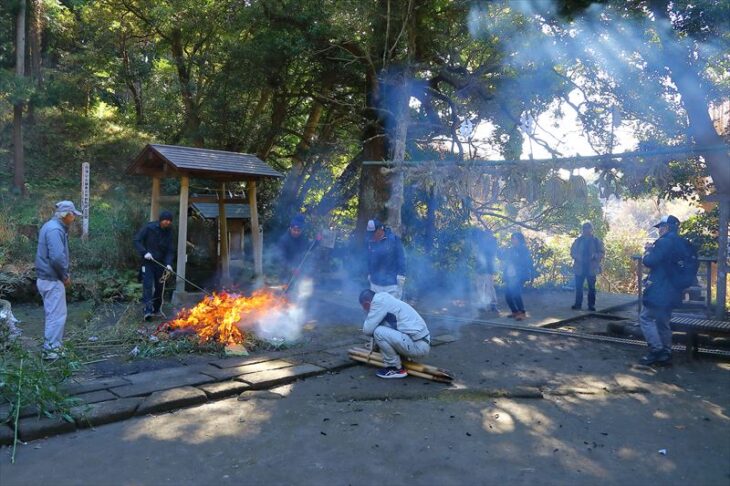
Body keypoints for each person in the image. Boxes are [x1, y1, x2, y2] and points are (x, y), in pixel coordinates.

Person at [35, 200, 82, 358]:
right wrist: (64, 275)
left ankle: (50, 347)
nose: (74, 217)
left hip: (45, 277)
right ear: (66, 215)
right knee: (57, 315)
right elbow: (56, 257)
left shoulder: (49, 226)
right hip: (52, 279)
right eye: (73, 214)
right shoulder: (55, 230)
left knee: (52, 314)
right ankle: (52, 351)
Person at [638, 215, 684, 366]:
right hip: (674, 289)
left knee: (646, 317)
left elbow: (649, 262)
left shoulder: (663, 242)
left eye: (661, 227)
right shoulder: (680, 243)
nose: (659, 231)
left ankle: (656, 349)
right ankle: (666, 352)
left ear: (668, 227)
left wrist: (648, 251)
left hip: (660, 289)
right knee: (663, 320)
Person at [358, 289, 430, 379]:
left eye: (364, 307)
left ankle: (395, 368)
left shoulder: (378, 303)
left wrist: (368, 315)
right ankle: (402, 359)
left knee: (378, 332)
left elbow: (367, 330)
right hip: (420, 342)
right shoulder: (385, 298)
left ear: (366, 304)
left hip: (417, 346)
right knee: (383, 328)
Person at [134, 210, 175, 321]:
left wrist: (169, 264)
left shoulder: (169, 232)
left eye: (169, 221)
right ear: (161, 220)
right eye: (165, 220)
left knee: (159, 287)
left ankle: (156, 310)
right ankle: (147, 310)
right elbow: (137, 240)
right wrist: (144, 252)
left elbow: (170, 250)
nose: (167, 222)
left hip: (161, 263)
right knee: (147, 286)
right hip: (148, 261)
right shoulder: (149, 228)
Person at [366, 219, 406, 299]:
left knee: (391, 310)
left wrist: (401, 276)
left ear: (380, 229)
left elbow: (401, 258)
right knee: (376, 309)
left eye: (374, 232)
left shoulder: (394, 240)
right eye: (370, 233)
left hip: (391, 285)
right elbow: (368, 258)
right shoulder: (370, 241)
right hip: (375, 283)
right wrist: (369, 273)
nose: (372, 235)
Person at [570, 222, 605, 311]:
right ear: (583, 230)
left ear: (591, 229)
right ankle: (578, 304)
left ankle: (591, 305)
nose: (586, 230)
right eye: (585, 228)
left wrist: (595, 256)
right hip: (579, 267)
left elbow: (602, 253)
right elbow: (572, 251)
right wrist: (577, 257)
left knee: (592, 288)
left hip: (591, 268)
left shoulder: (596, 241)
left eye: (588, 228)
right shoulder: (578, 241)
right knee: (578, 287)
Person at [501, 232, 533, 321]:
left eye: (514, 238)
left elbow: (525, 262)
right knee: (507, 295)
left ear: (519, 239)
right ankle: (515, 311)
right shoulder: (511, 249)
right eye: (512, 238)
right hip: (510, 275)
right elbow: (503, 258)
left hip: (520, 275)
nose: (512, 240)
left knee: (516, 294)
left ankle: (522, 312)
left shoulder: (524, 250)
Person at [471, 228, 499, 314]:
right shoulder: (480, 242)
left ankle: (493, 304)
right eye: (485, 234)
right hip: (479, 268)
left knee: (489, 287)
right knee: (479, 287)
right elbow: (475, 252)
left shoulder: (493, 243)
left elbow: (492, 254)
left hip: (488, 269)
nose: (486, 236)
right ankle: (482, 304)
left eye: (488, 234)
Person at [277, 214, 311, 284]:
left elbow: (309, 247)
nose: (296, 232)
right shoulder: (284, 240)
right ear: (290, 228)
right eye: (294, 230)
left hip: (299, 269)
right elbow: (281, 258)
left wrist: (317, 241)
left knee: (297, 291)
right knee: (285, 289)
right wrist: (291, 269)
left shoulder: (303, 239)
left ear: (302, 230)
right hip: (285, 271)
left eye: (298, 230)